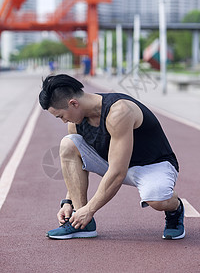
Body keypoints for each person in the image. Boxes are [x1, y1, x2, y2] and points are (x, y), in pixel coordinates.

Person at [39, 74, 185, 240]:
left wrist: (90, 209)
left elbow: (117, 173)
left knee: (157, 198)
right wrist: (69, 203)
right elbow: (77, 166)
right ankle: (82, 224)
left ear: (73, 103)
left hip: (152, 165)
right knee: (69, 143)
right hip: (113, 162)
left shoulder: (119, 112)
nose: (63, 121)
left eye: (61, 116)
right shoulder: (75, 122)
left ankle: (176, 209)